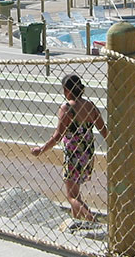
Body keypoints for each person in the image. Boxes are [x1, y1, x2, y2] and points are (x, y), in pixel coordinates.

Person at [31, 74, 108, 223]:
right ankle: (76, 222)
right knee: (76, 191)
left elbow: (57, 136)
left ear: (67, 90)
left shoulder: (66, 108)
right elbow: (103, 130)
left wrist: (41, 150)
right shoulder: (90, 106)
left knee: (71, 196)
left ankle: (93, 221)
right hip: (87, 153)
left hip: (73, 153)